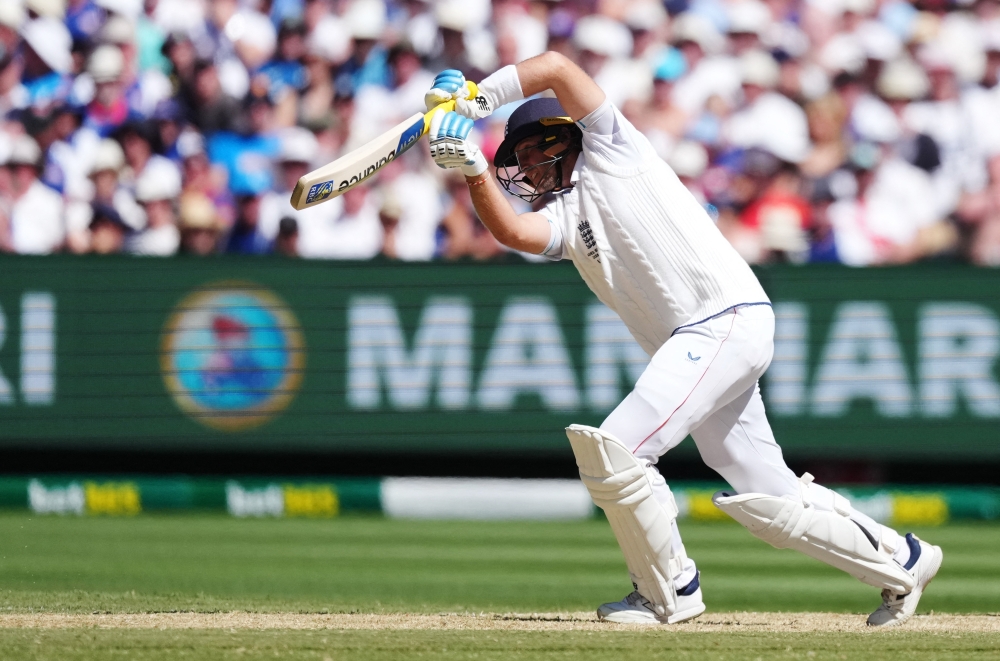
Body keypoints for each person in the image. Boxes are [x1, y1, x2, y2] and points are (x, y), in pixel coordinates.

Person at [422, 53, 942, 627]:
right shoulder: (568, 217)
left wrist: (480, 98)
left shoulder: (612, 147)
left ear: (559, 138)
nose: (522, 167)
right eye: (512, 159)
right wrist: (471, 166)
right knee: (766, 492)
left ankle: (669, 590)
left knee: (617, 449)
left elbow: (556, 67)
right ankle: (903, 559)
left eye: (526, 152)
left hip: (721, 318)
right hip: (713, 336)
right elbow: (514, 230)